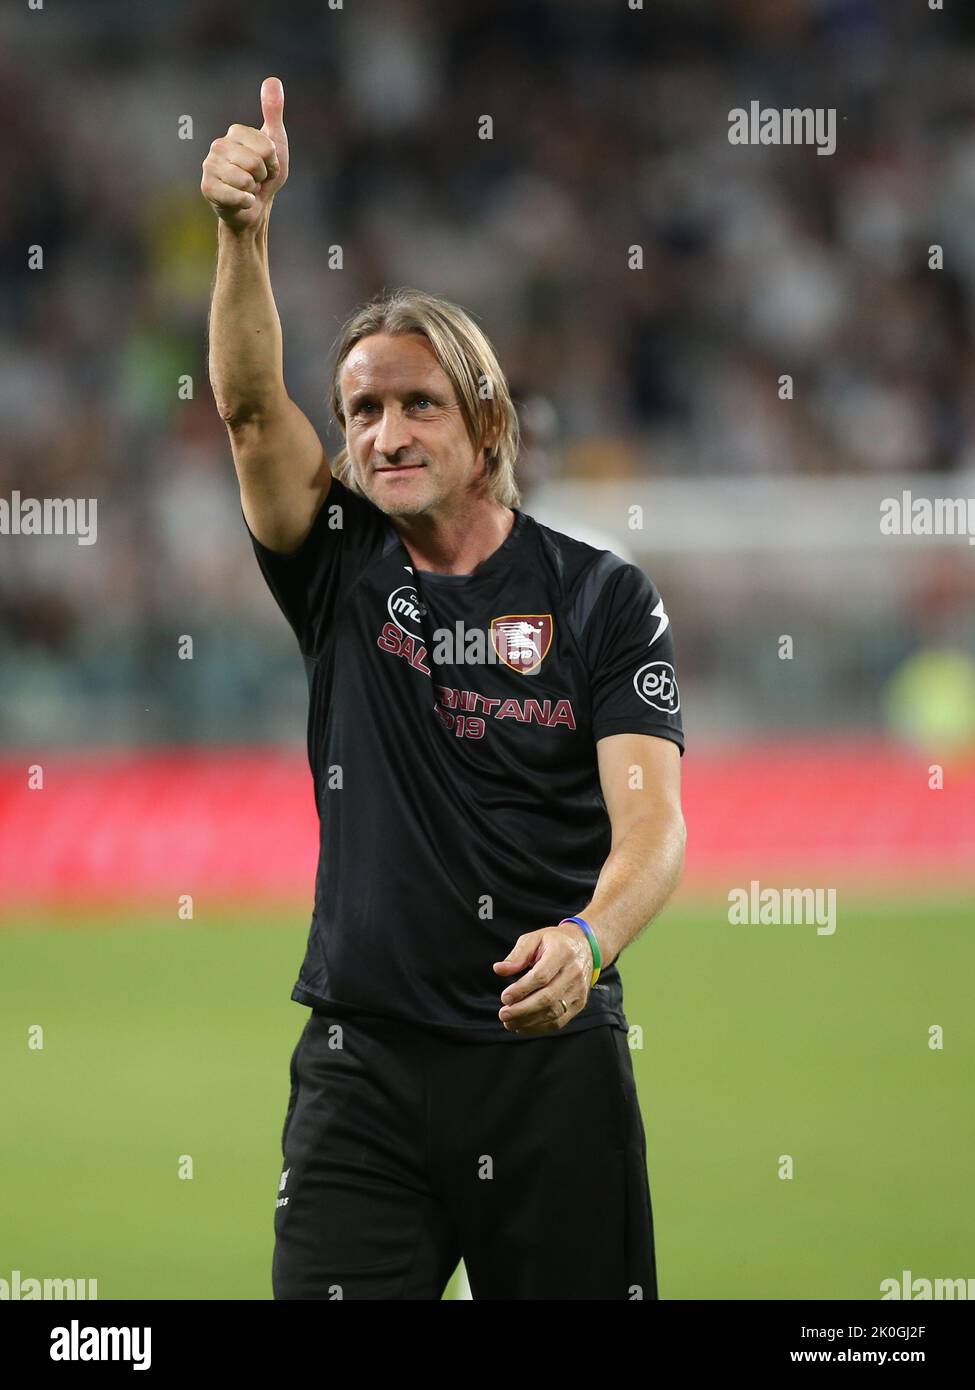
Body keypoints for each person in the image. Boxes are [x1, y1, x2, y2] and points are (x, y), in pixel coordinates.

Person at [202, 76, 687, 1301]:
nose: (383, 433)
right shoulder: (340, 571)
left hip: (551, 1070)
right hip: (361, 1072)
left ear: (483, 419)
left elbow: (656, 829)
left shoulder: (601, 597)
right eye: (362, 410)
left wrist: (591, 939)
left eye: (417, 402)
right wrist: (243, 236)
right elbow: (253, 405)